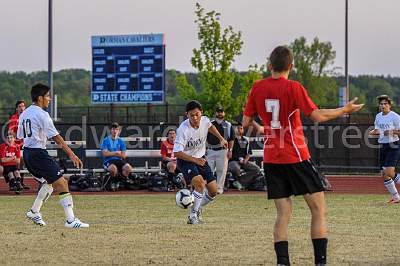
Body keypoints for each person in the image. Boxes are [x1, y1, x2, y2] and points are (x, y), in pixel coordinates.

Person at [242, 46, 364, 266]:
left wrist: (265, 129)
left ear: (270, 65)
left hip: (271, 159)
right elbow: (316, 115)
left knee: (282, 214)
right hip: (295, 156)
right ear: (291, 66)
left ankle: (282, 262)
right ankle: (320, 262)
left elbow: (246, 123)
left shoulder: (257, 88)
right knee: (318, 210)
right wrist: (344, 110)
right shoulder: (293, 87)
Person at [17, 83, 89, 228]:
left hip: (28, 154)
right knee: (62, 183)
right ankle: (70, 220)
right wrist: (72, 154)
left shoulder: (24, 113)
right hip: (38, 153)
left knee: (49, 184)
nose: (49, 99)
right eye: (47, 96)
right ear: (40, 98)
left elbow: (20, 136)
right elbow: (57, 138)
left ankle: (34, 212)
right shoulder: (42, 114)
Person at [174, 100, 228, 224]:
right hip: (186, 160)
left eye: (197, 114)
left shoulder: (205, 120)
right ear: (186, 114)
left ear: (201, 113)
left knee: (214, 191)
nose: (195, 117)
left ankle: (196, 208)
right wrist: (195, 160)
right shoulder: (183, 130)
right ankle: (192, 216)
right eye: (191, 115)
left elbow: (210, 126)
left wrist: (221, 138)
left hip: (200, 158)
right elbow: (177, 153)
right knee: (199, 183)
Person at [369, 95, 400, 203]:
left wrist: (392, 132)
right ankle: (396, 197)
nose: (383, 106)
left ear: (390, 105)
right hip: (383, 145)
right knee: (384, 174)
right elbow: (377, 130)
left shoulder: (395, 116)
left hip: (393, 145)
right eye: (381, 104)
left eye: (385, 104)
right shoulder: (378, 116)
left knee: (390, 172)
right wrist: (373, 132)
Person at [206, 106, 234, 194]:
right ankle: (208, 188)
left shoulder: (228, 125)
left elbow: (231, 139)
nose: (220, 113)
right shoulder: (210, 124)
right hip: (210, 150)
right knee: (209, 170)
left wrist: (230, 150)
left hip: (223, 151)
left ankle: (219, 188)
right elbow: (204, 137)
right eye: (218, 112)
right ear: (215, 113)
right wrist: (205, 148)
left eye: (221, 112)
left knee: (221, 170)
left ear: (224, 113)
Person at [228, 123, 261, 190]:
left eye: (241, 128)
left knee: (256, 168)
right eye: (238, 128)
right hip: (233, 161)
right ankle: (238, 182)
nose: (240, 130)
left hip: (243, 161)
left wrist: (245, 160)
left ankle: (240, 182)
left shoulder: (245, 140)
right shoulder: (231, 140)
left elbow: (249, 153)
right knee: (235, 168)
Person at [8, 100, 29, 189]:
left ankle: (20, 182)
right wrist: (17, 137)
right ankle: (15, 182)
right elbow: (10, 131)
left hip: (26, 144)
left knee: (23, 163)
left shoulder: (27, 117)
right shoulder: (14, 118)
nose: (22, 108)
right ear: (16, 108)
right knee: (17, 163)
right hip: (17, 145)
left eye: (23, 106)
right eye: (20, 106)